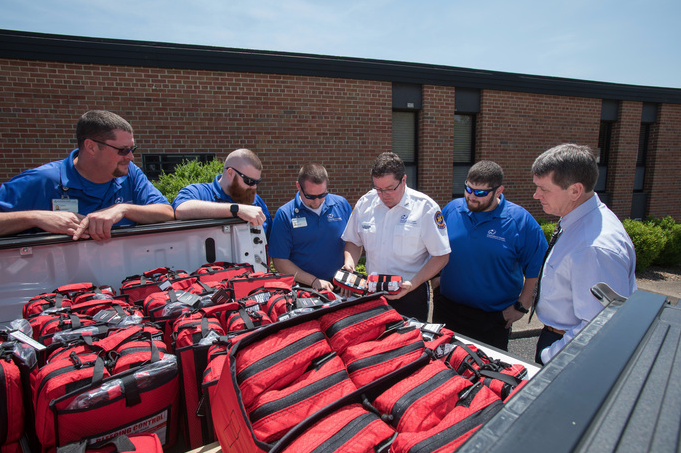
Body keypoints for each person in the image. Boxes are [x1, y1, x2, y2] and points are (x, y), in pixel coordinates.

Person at [531, 143, 637, 365]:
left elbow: (598, 325)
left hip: (569, 352)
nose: (536, 195)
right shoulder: (580, 219)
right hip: (560, 339)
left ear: (575, 191)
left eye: (544, 189)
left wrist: (549, 355)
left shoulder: (593, 247)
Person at [0, 110, 174, 241]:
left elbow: (166, 212)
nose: (130, 157)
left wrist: (122, 209)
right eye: (123, 150)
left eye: (132, 149)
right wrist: (34, 218)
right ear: (91, 147)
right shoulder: (43, 180)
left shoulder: (130, 173)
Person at [434, 161, 548, 350]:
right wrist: (436, 280)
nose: (471, 197)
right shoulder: (451, 210)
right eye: (468, 189)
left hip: (492, 319)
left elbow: (539, 267)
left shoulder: (521, 221)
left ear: (498, 191)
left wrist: (521, 306)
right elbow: (435, 247)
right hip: (447, 310)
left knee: (485, 375)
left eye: (480, 193)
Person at [341, 152, 451, 320]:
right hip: (373, 292)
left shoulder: (426, 208)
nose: (384, 195)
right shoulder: (365, 203)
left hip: (410, 292)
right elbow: (353, 241)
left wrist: (413, 284)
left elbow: (441, 255)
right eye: (378, 189)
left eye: (390, 188)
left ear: (404, 180)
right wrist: (350, 264)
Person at [269, 163, 352, 291]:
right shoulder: (285, 214)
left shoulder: (341, 204)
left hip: (341, 286)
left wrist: (349, 269)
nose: (317, 201)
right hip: (304, 289)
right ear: (298, 186)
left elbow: (353, 241)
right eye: (310, 196)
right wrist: (313, 281)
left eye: (322, 195)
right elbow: (280, 261)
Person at [172, 148, 271, 238]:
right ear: (230, 173)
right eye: (249, 181)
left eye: (257, 182)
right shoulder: (200, 192)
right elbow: (180, 210)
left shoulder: (256, 200)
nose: (254, 187)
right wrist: (236, 209)